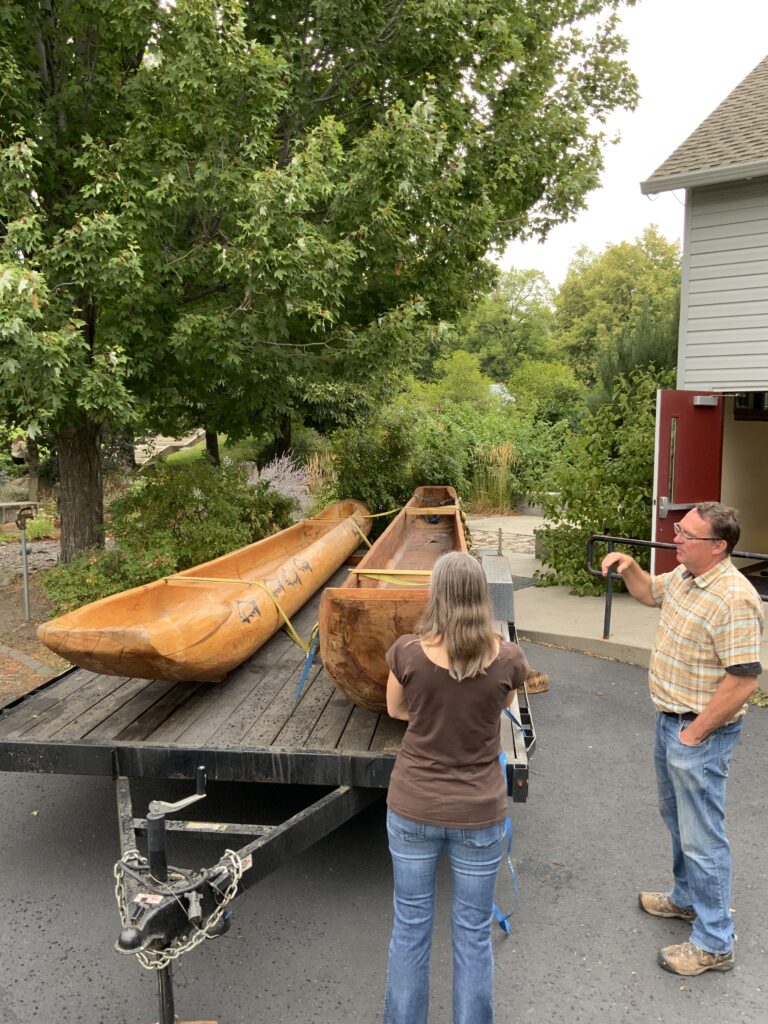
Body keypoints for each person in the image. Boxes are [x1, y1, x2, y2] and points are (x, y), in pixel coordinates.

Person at [601, 502, 764, 977]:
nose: (676, 539)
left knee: (703, 837)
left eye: (687, 535)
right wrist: (631, 567)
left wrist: (694, 733)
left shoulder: (734, 599)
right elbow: (650, 594)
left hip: (699, 732)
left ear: (718, 546)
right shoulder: (687, 578)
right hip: (670, 721)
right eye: (678, 529)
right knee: (678, 820)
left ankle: (715, 943)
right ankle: (687, 899)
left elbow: (744, 680)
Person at [382, 551, 529, 1024]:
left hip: (412, 808)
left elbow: (396, 711)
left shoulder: (407, 651)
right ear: (482, 595)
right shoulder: (507, 656)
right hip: (479, 813)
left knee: (409, 928)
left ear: (437, 593)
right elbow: (499, 705)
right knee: (472, 934)